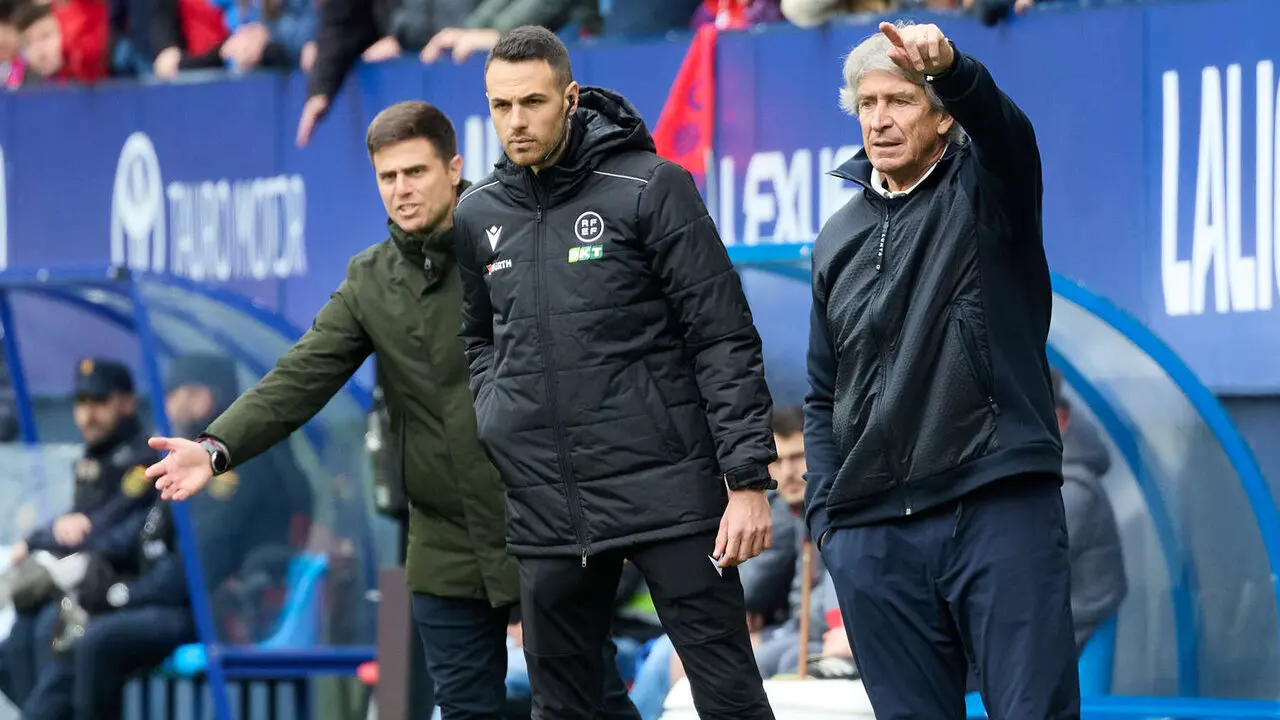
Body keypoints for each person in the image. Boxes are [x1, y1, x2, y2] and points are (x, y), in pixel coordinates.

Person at [144, 100, 638, 720]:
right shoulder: (369, 280)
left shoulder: (514, 242)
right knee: (463, 711)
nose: (402, 190)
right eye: (388, 177)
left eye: (416, 172)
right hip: (442, 542)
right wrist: (216, 448)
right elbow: (301, 376)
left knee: (590, 702)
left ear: (454, 168)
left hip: (540, 525)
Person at [454, 26, 778, 720]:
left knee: (727, 697)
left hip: (670, 491)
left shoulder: (649, 187)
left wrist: (746, 482)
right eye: (500, 106)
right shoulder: (478, 211)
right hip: (548, 505)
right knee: (563, 708)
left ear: (569, 98)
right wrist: (498, 412)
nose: (516, 121)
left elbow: (722, 335)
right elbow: (477, 337)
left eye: (533, 102)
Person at [804, 20, 1078, 720]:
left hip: (995, 504)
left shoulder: (988, 190)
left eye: (899, 100)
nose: (880, 119)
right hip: (874, 537)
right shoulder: (836, 238)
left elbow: (1010, 137)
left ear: (942, 115)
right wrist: (830, 523)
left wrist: (954, 67)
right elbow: (822, 391)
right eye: (867, 105)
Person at [0, 358, 157, 713]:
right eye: (82, 403)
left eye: (100, 403)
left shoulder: (141, 459)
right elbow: (71, 525)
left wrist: (42, 538)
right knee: (14, 645)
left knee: (47, 631)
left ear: (129, 402)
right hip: (83, 581)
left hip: (114, 583)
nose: (88, 415)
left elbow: (98, 526)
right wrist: (47, 533)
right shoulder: (93, 457)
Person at [1051, 369, 1127, 651]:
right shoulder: (1053, 477)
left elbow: (1022, 563)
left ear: (1059, 419)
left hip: (1073, 631)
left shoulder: (1073, 489)